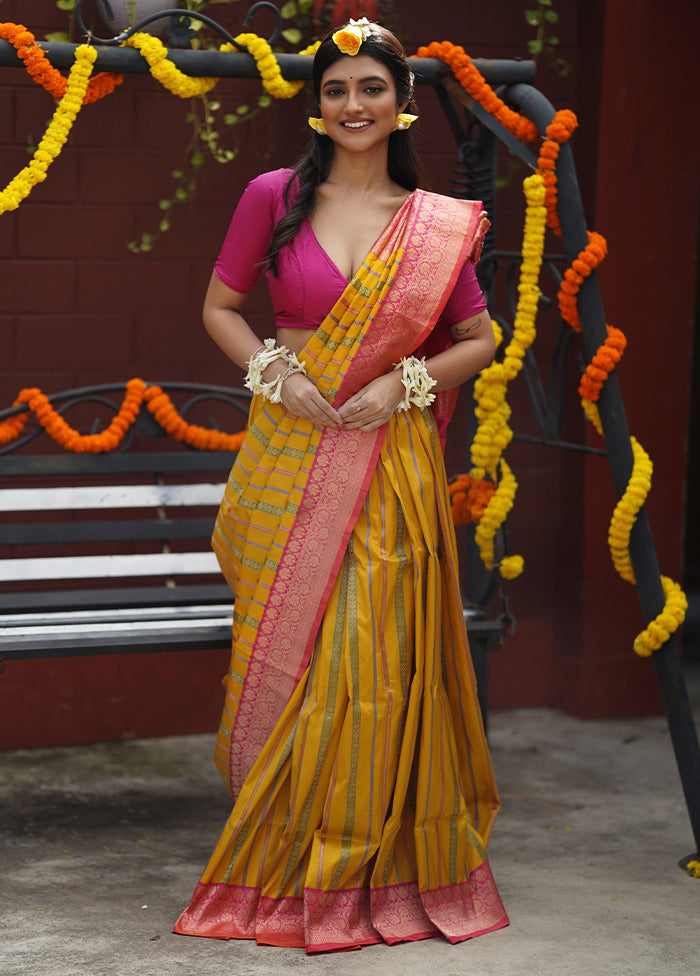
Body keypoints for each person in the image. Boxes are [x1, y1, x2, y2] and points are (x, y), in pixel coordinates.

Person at [175, 18, 508, 953]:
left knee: (368, 654)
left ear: (401, 104)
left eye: (371, 87)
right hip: (289, 447)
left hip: (388, 461)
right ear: (316, 108)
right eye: (336, 90)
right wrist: (278, 376)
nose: (353, 104)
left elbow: (480, 341)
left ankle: (369, 862)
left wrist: (404, 384)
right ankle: (282, 852)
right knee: (296, 646)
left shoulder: (435, 222)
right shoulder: (272, 196)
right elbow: (219, 308)